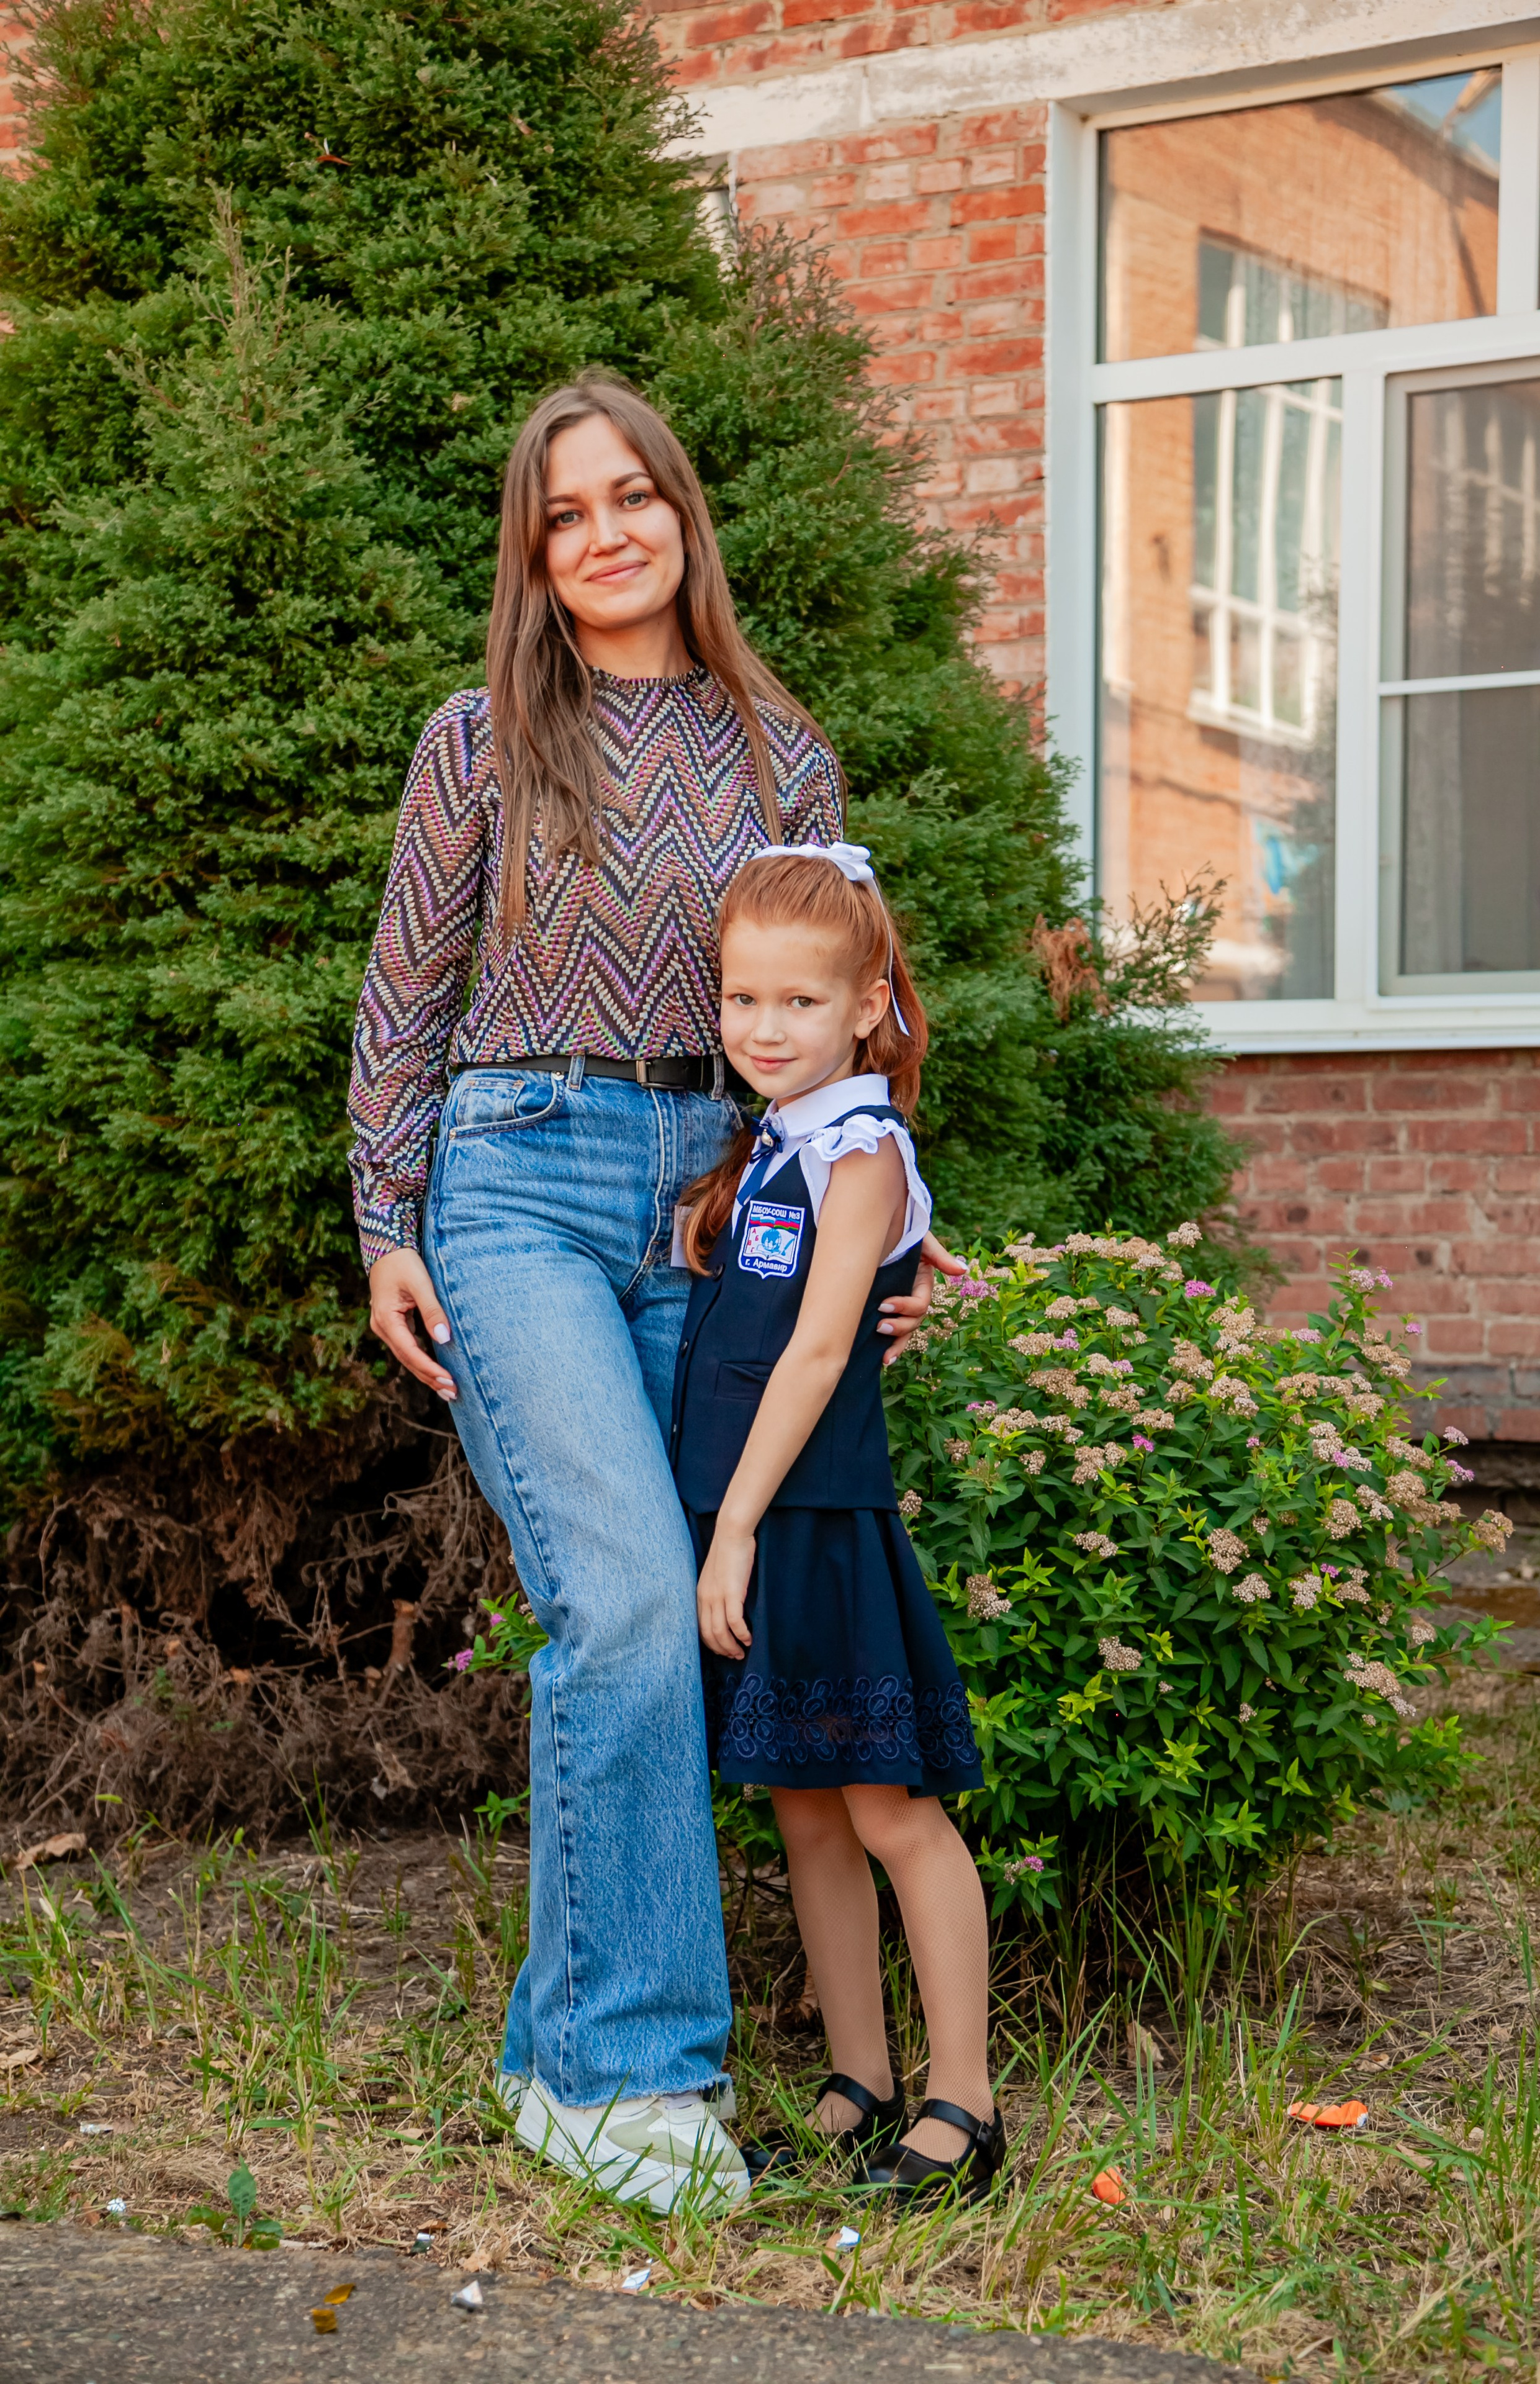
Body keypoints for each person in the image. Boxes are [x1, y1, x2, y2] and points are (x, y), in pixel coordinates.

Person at [347, 374, 957, 2215]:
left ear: (682, 515)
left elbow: (856, 1009)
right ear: (533, 555)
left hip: (719, 1204)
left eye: (635, 498)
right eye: (566, 512)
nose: (606, 534)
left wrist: (892, 1226)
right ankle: (633, 2078)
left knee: (700, 1620)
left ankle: (561, 2052)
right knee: (618, 1599)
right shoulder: (481, 739)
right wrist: (391, 1219)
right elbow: (406, 991)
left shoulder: (787, 756)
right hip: (517, 1183)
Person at [672, 846, 1002, 2205]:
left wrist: (734, 1527)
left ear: (868, 1004)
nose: (763, 1027)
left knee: (886, 1808)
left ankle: (963, 2104)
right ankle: (856, 2083)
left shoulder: (861, 1149)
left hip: (804, 1520)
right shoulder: (771, 1144)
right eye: (743, 998)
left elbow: (816, 1356)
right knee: (803, 1811)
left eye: (799, 1003)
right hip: (744, 1510)